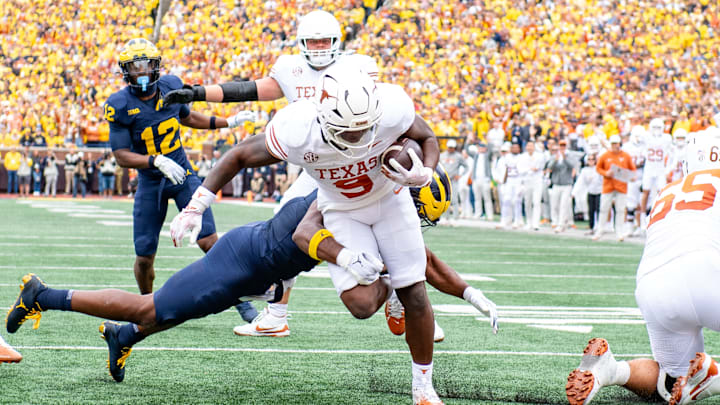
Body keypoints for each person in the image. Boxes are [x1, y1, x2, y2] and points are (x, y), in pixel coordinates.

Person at [170, 66, 443, 404]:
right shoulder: (298, 128)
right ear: (325, 119)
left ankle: (422, 388)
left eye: (365, 128)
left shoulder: (390, 105)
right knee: (360, 305)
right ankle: (383, 290)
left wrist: (425, 172)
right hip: (340, 207)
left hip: (390, 199)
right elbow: (239, 155)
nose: (358, 138)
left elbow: (427, 136)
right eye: (348, 131)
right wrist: (196, 206)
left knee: (414, 291)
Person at [162, 10, 378, 337]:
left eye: (325, 41)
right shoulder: (291, 69)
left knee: (373, 224)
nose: (319, 48)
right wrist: (198, 93)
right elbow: (248, 89)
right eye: (313, 41)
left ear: (337, 42)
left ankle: (399, 296)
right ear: (301, 43)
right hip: (315, 163)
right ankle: (277, 314)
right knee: (285, 226)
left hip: (352, 159)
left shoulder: (357, 67)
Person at [565, 130, 720, 405]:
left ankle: (612, 371)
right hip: (705, 273)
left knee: (673, 383)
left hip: (653, 287)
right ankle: (711, 377)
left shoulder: (668, 190)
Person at [103, 38, 251, 294]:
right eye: (135, 66)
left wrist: (229, 121)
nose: (142, 71)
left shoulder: (171, 85)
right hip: (150, 183)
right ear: (125, 71)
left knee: (209, 241)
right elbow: (121, 155)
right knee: (144, 256)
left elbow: (189, 117)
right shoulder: (119, 104)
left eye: (146, 64)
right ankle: (147, 304)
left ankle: (243, 304)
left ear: (155, 65)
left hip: (183, 176)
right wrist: (155, 160)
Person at [593, 135, 637, 241]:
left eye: (616, 144)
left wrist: (631, 177)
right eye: (613, 144)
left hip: (621, 186)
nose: (614, 146)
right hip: (608, 186)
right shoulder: (605, 155)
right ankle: (600, 230)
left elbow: (633, 169)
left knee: (620, 210)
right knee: (604, 208)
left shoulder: (626, 156)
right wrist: (606, 173)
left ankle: (619, 232)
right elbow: (598, 168)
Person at [640, 118, 673, 223]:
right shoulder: (646, 137)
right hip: (649, 169)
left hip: (660, 170)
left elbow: (673, 153)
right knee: (645, 192)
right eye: (654, 127)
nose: (656, 130)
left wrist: (668, 169)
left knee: (661, 193)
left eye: (658, 127)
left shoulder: (666, 138)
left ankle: (660, 216)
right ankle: (642, 218)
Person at [545, 139, 577, 233]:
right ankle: (554, 221)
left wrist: (564, 158)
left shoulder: (570, 156)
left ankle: (561, 223)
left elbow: (572, 166)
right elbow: (549, 167)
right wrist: (556, 160)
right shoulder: (555, 156)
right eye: (561, 145)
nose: (562, 147)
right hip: (556, 183)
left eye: (564, 145)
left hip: (566, 184)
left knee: (564, 204)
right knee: (554, 203)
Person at [518, 141, 546, 230]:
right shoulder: (522, 157)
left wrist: (532, 169)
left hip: (537, 181)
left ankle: (535, 223)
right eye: (528, 146)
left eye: (531, 146)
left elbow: (539, 167)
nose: (530, 148)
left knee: (536, 202)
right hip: (527, 181)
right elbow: (521, 169)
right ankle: (529, 222)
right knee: (527, 202)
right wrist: (529, 169)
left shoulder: (539, 156)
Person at [439, 139, 466, 221]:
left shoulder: (458, 156)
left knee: (454, 199)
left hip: (453, 180)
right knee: (445, 199)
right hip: (444, 180)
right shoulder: (442, 155)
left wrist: (460, 175)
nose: (451, 149)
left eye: (452, 147)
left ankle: (455, 217)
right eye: (449, 147)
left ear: (455, 148)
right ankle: (446, 217)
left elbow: (466, 166)